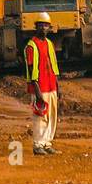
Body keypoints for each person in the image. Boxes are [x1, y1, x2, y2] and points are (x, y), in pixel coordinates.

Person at [24, 11, 61, 155]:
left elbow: (54, 66)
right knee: (40, 116)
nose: (44, 28)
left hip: (51, 86)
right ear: (36, 27)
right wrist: (37, 90)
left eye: (46, 26)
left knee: (52, 115)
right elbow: (32, 68)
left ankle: (47, 143)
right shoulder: (31, 46)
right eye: (41, 25)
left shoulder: (49, 44)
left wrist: (57, 86)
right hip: (40, 87)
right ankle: (38, 144)